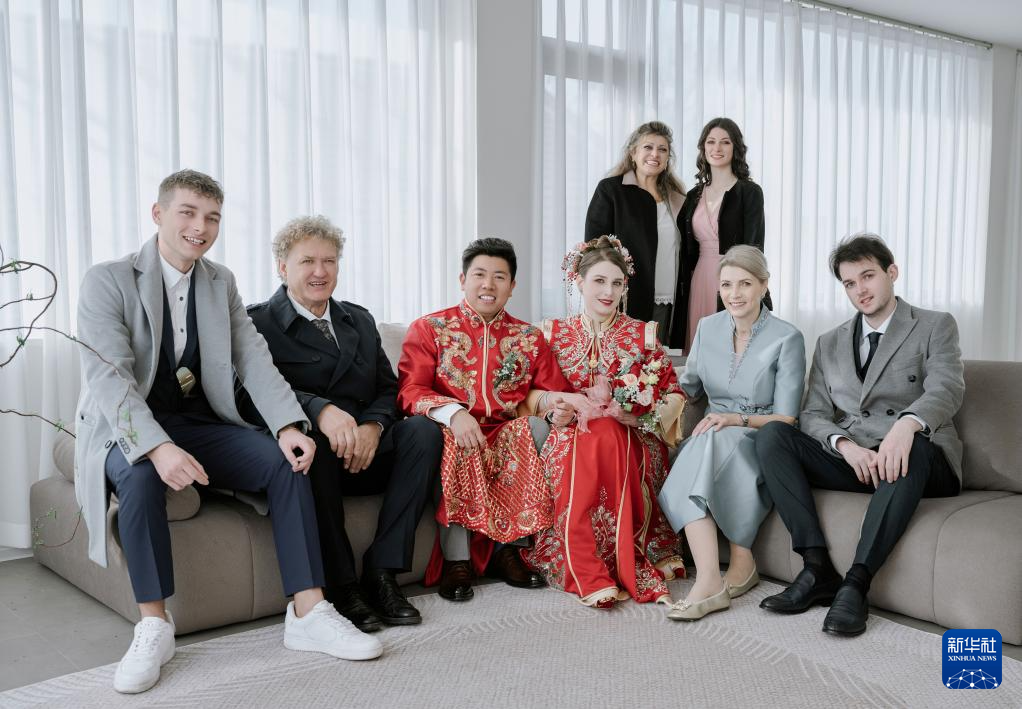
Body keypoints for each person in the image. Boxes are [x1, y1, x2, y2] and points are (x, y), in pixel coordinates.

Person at [74, 171, 382, 694]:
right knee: (142, 478)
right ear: (158, 214)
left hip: (198, 422)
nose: (200, 227)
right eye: (188, 213)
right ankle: (154, 624)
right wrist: (157, 447)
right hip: (124, 426)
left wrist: (288, 425)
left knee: (288, 462)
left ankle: (308, 613)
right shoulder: (107, 279)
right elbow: (110, 379)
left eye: (212, 217)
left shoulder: (220, 282)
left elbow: (252, 358)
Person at [756, 234, 964, 636]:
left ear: (892, 273)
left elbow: (947, 388)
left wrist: (907, 424)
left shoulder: (934, 325)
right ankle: (816, 568)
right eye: (849, 283)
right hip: (860, 461)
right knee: (773, 437)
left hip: (921, 459)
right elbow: (813, 413)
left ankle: (856, 584)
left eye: (868, 276)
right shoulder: (829, 342)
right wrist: (845, 446)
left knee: (911, 448)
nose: (860, 290)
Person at [240, 215, 441, 631]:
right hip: (316, 460)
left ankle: (383, 572)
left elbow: (388, 388)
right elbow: (246, 395)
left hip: (366, 453)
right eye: (307, 261)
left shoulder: (359, 320)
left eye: (329, 261)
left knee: (423, 431)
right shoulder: (256, 324)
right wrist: (318, 409)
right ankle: (343, 586)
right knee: (311, 444)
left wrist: (373, 428)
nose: (320, 271)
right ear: (282, 267)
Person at [396, 237, 571, 601]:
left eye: (499, 277)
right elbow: (410, 390)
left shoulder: (529, 338)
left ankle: (510, 550)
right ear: (463, 280)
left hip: (505, 431)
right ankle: (456, 560)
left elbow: (553, 391)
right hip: (455, 429)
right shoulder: (430, 328)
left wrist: (559, 407)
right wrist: (453, 413)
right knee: (454, 437)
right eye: (479, 274)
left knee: (533, 429)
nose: (488, 284)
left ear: (512, 286)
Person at [524, 235, 687, 608]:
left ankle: (601, 564)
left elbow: (674, 394)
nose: (608, 292)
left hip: (630, 435)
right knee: (591, 438)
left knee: (608, 432)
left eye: (617, 283)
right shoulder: (550, 334)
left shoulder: (643, 334)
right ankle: (588, 565)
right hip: (568, 434)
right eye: (599, 281)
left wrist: (638, 415)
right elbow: (527, 393)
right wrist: (553, 407)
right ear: (578, 282)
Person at [657, 245, 805, 621]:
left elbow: (786, 418)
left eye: (745, 284)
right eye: (726, 285)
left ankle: (717, 575)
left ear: (764, 285)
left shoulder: (787, 337)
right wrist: (644, 391)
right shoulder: (707, 328)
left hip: (759, 436)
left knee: (703, 443)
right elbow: (687, 387)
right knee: (703, 440)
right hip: (712, 433)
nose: (734, 294)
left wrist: (735, 419)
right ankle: (714, 574)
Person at [584, 121, 687, 343]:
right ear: (633, 153)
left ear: (668, 158)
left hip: (669, 300)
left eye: (662, 149)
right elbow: (594, 248)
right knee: (624, 357)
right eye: (648, 147)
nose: (655, 154)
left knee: (659, 359)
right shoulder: (611, 190)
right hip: (624, 298)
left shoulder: (678, 198)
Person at [676, 117, 767, 351]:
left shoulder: (750, 192)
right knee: (699, 348)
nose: (717, 148)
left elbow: (754, 247)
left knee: (731, 347)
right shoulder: (693, 195)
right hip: (700, 278)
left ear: (735, 148)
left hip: (734, 278)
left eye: (725, 142)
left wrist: (745, 283)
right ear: (703, 148)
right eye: (711, 142)